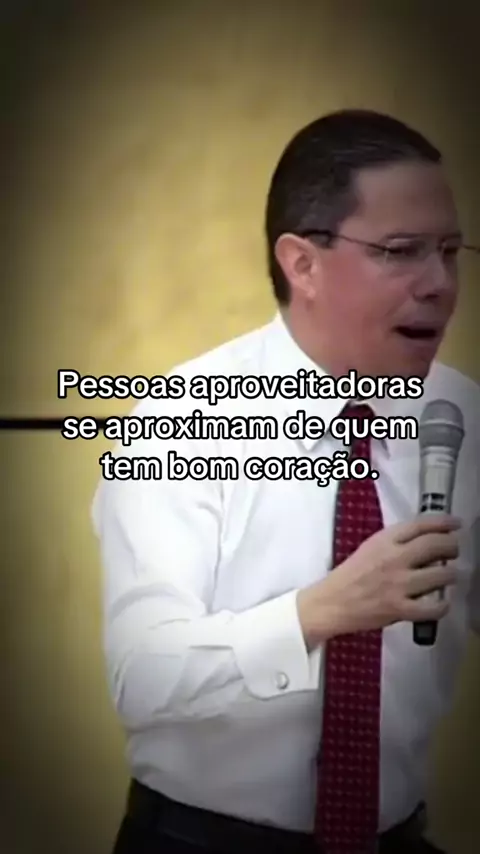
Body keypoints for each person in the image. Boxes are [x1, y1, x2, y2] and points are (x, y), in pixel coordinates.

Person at [91, 109, 480, 854]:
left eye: (450, 252)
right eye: (402, 251)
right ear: (302, 264)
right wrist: (320, 611)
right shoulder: (181, 420)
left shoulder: (463, 417)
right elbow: (141, 678)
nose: (439, 284)